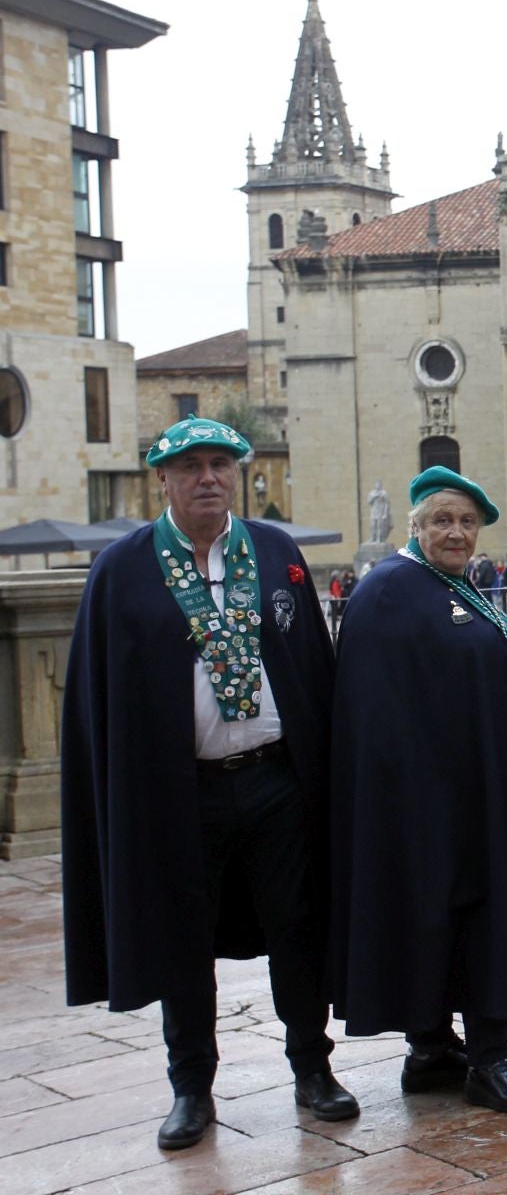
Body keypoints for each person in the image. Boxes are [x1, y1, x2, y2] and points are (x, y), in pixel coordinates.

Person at [61, 416, 356, 1151]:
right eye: (190, 466)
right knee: (180, 940)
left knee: (298, 927)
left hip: (275, 781)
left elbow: (312, 668)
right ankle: (191, 1087)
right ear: (161, 478)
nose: (208, 478)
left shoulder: (276, 551)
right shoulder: (124, 568)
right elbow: (100, 696)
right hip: (177, 792)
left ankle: (311, 1069)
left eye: (220, 464)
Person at [330, 466, 507, 1113]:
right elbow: (377, 708)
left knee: (461, 911)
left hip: (478, 788)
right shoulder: (390, 591)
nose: (456, 532)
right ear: (414, 526)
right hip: (435, 800)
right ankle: (488, 1056)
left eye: (466, 523)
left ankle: (431, 1049)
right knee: (462, 912)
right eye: (442, 521)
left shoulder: (456, 585)